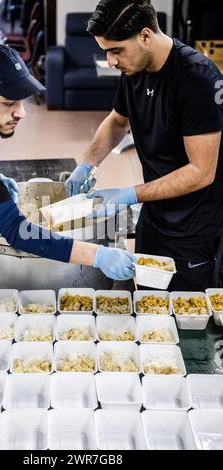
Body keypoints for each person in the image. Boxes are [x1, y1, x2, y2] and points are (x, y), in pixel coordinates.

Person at [0, 43, 135, 289]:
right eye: (8, 103)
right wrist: (98, 256)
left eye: (21, 101)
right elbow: (16, 231)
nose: (21, 113)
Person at [66, 0, 223, 291]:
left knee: (184, 316)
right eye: (106, 51)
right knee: (150, 305)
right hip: (154, 216)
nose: (111, 61)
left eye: (116, 50)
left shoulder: (198, 78)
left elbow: (201, 171)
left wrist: (129, 194)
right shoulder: (134, 69)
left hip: (193, 227)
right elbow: (117, 121)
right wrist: (86, 164)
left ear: (146, 36)